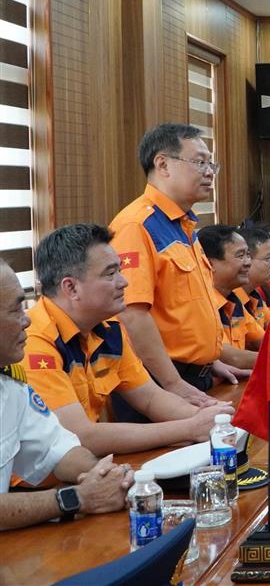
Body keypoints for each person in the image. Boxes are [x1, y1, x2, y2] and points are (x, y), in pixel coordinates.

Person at [23, 224, 233, 454]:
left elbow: (150, 398)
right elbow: (80, 436)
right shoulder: (33, 341)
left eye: (120, 271)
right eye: (110, 274)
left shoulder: (109, 328)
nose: (124, 282)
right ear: (71, 288)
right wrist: (190, 428)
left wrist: (211, 418)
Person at [0, 259, 132, 531]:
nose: (26, 320)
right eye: (15, 310)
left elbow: (57, 449)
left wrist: (105, 475)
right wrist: (76, 498)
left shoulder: (10, 386)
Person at [109, 123, 236, 401]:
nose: (208, 172)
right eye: (199, 162)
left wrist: (210, 359)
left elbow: (184, 309)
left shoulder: (183, 225)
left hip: (195, 375)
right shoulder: (137, 225)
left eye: (211, 164)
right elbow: (132, 314)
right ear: (163, 165)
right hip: (159, 383)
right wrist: (172, 383)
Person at [199, 225, 266, 370]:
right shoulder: (202, 307)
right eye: (240, 256)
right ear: (209, 264)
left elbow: (264, 341)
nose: (248, 262)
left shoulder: (233, 301)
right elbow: (233, 358)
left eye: (248, 255)